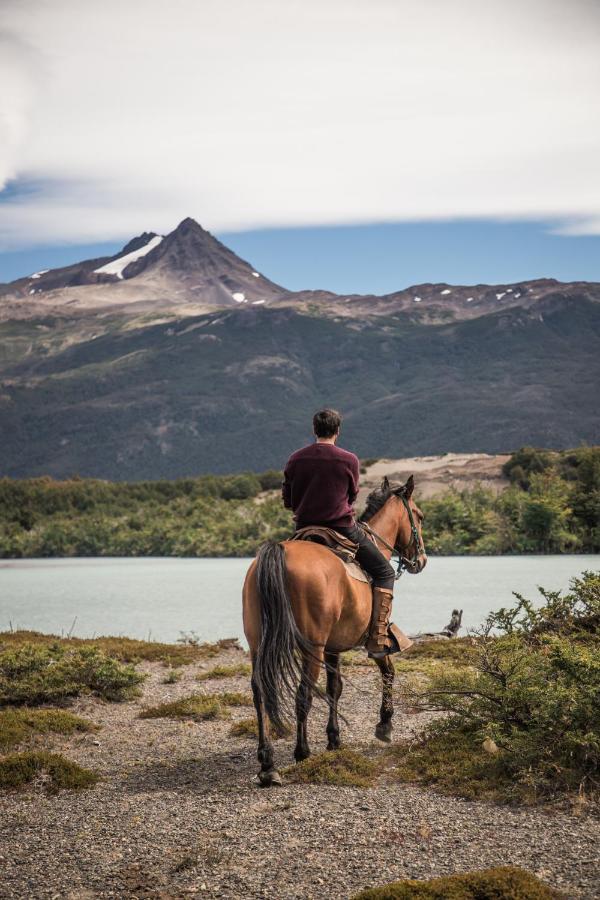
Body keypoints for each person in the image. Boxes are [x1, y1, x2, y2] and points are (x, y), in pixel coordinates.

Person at [281, 408, 396, 657]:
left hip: (304, 529)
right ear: (338, 430)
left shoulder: (295, 459)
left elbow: (288, 500)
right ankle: (378, 637)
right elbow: (352, 496)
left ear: (314, 430)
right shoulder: (349, 460)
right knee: (385, 571)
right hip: (340, 527)